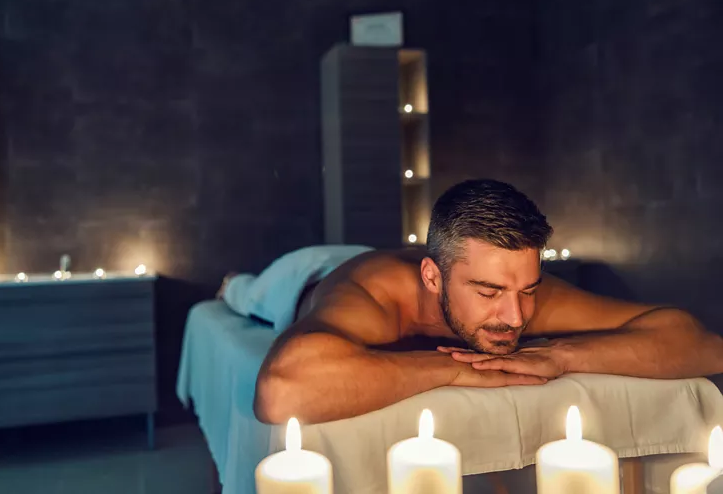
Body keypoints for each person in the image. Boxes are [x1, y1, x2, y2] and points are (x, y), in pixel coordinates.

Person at [249, 179, 723, 425]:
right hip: (307, 273)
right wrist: (457, 369)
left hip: (421, 255)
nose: (515, 317)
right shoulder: (370, 297)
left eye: (528, 290)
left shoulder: (524, 289)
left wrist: (561, 356)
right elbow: (282, 390)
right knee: (246, 292)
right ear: (432, 278)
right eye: (489, 292)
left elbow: (703, 344)